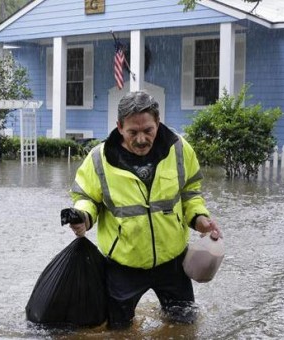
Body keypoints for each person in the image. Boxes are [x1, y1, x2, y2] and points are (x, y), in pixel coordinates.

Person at [66, 91, 222, 329]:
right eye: (132, 132)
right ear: (119, 127)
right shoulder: (99, 159)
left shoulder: (180, 149)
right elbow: (87, 197)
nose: (141, 139)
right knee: (119, 330)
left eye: (148, 130)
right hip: (123, 265)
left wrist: (200, 219)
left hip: (173, 262)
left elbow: (190, 192)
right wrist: (83, 218)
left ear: (157, 123)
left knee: (184, 326)